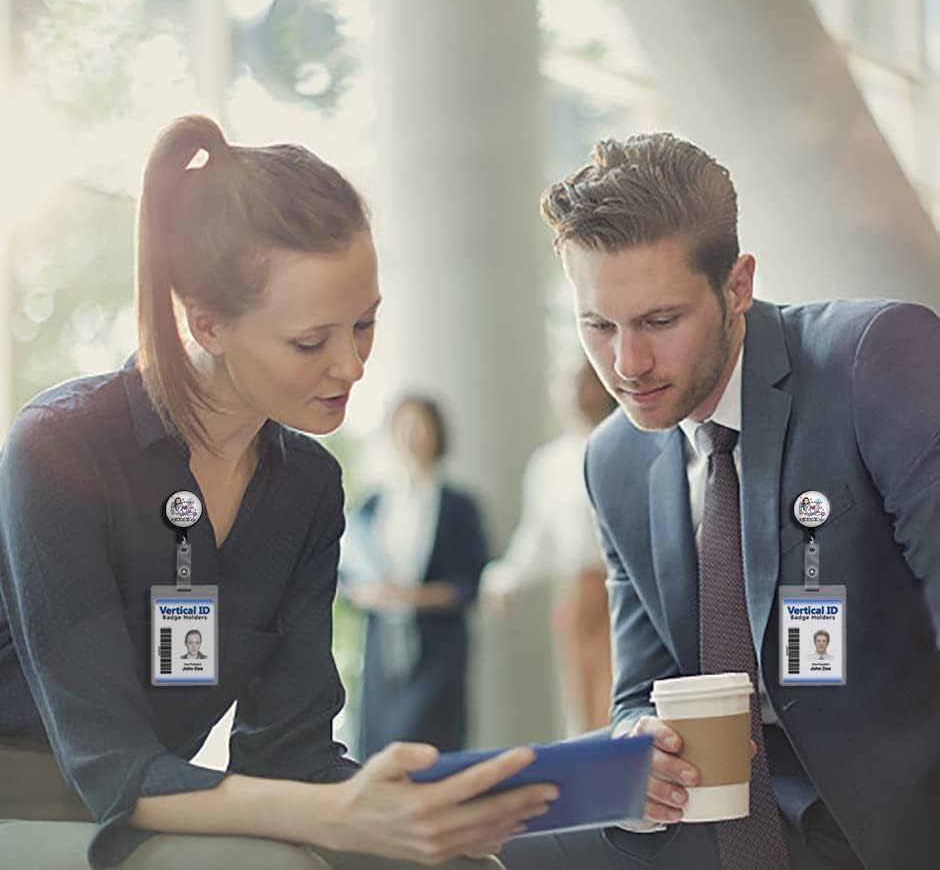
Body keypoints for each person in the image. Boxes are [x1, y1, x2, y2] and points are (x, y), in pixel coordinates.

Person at [0, 115, 557, 870]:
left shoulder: (306, 484)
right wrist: (337, 816)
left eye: (364, 325)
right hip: (31, 797)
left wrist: (421, 810)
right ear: (207, 323)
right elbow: (112, 765)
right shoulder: (59, 446)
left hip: (162, 802)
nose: (353, 366)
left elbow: (292, 752)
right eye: (311, 341)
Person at [502, 133, 940, 870]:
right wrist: (638, 738)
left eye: (659, 322)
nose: (626, 365)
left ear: (737, 285)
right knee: (485, 844)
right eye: (597, 326)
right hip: (724, 817)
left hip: (895, 818)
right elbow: (639, 689)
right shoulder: (613, 460)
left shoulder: (876, 358)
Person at [341, 396, 488, 759]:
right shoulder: (371, 504)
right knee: (380, 743)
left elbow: (473, 580)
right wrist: (374, 595)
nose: (412, 435)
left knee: (429, 739)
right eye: (403, 426)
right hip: (382, 643)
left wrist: (415, 597)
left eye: (420, 425)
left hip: (437, 644)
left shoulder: (458, 505)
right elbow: (344, 578)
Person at [480, 358, 614, 734]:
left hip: (628, 588)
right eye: (566, 382)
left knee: (623, 694)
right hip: (580, 592)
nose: (575, 392)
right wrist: (504, 580)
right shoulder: (549, 463)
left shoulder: (631, 442)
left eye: (585, 381)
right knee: (583, 701)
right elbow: (537, 538)